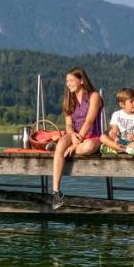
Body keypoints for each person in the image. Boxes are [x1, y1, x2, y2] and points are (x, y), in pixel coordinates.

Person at [50, 68, 102, 209]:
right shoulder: (69, 99)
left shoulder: (94, 96)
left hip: (92, 136)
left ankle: (59, 150)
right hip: (75, 135)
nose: (69, 84)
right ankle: (56, 192)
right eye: (67, 81)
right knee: (61, 143)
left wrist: (74, 146)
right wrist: (72, 135)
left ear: (81, 80)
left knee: (88, 147)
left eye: (72, 80)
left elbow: (89, 121)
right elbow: (68, 124)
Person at [99, 87, 134, 155]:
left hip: (133, 142)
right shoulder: (117, 114)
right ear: (122, 104)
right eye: (131, 101)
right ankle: (128, 150)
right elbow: (113, 131)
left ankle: (117, 149)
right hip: (120, 141)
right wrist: (116, 138)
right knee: (102, 137)